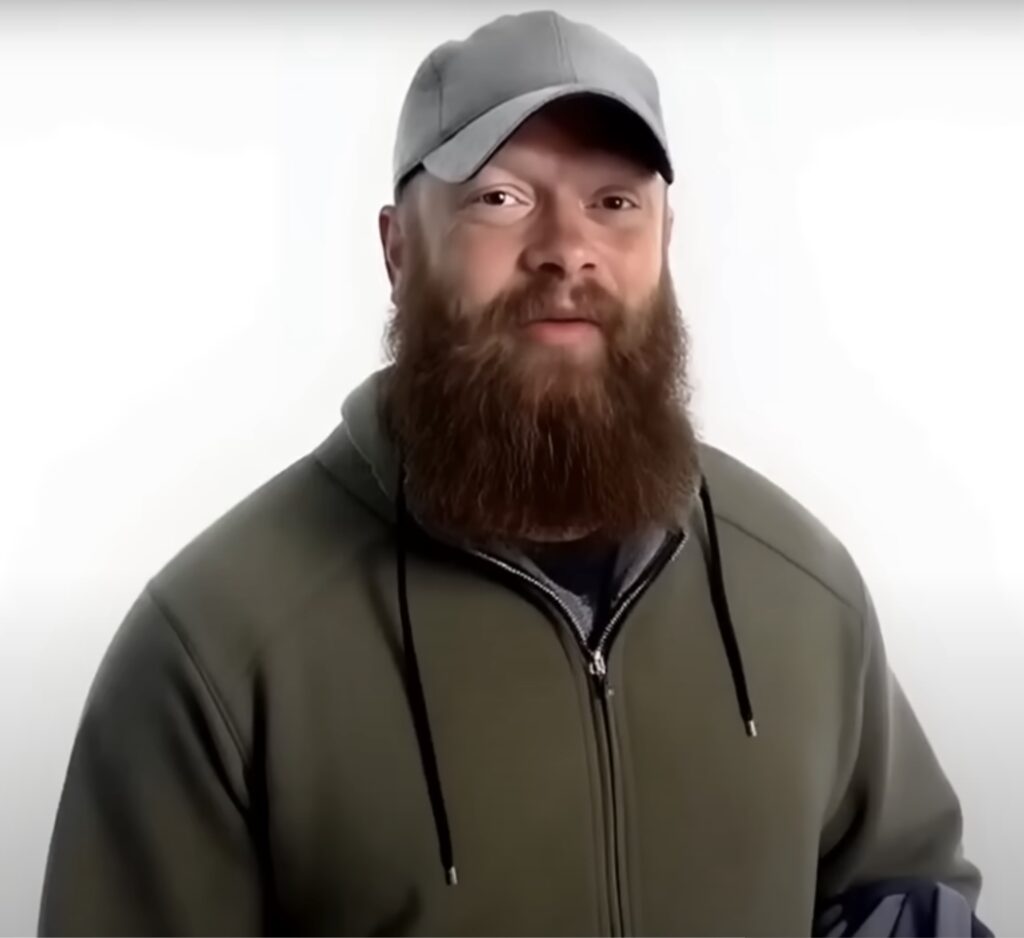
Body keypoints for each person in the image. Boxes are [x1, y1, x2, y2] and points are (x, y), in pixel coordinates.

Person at [39, 10, 990, 937]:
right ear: (398, 249)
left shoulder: (805, 594)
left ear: (665, 239)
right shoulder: (215, 650)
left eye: (615, 203)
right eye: (501, 198)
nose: (567, 249)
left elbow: (903, 898)